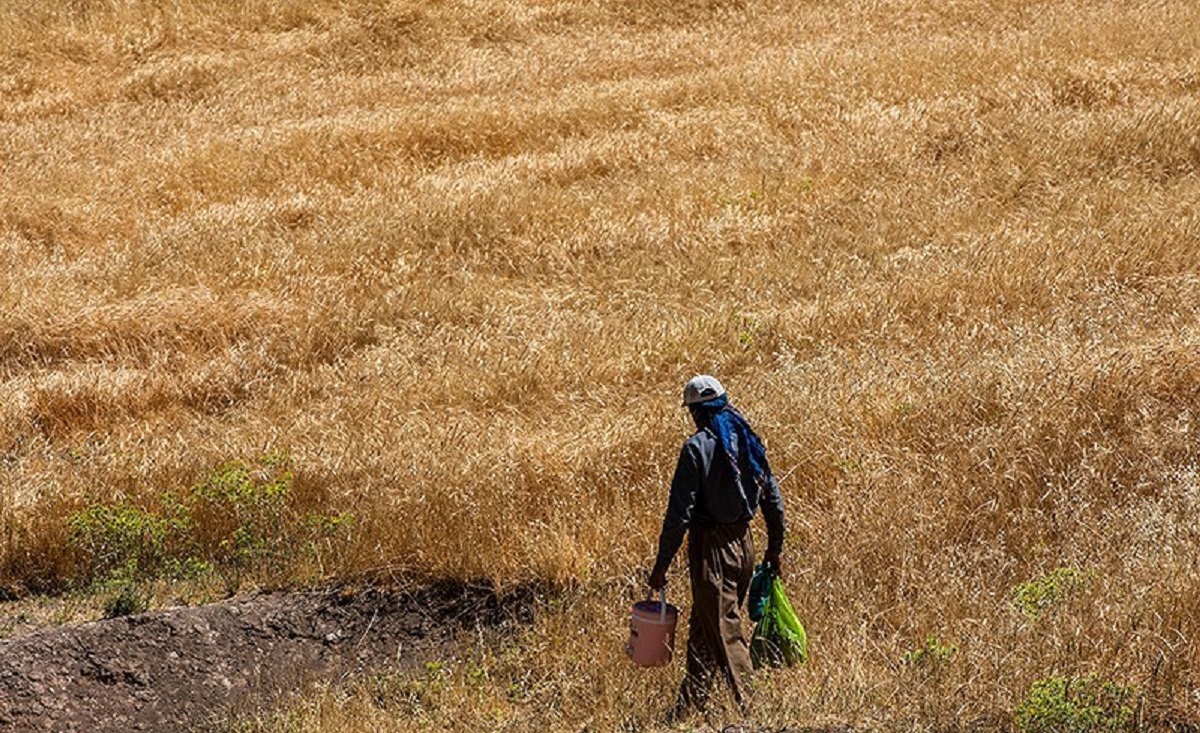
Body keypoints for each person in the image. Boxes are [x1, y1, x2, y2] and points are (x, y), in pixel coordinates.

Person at [648, 375, 786, 715]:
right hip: (744, 545)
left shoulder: (696, 448)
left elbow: (679, 516)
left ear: (696, 413)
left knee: (725, 631)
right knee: (703, 626)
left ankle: (755, 712)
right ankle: (688, 707)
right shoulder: (746, 440)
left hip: (712, 551)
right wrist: (774, 548)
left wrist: (661, 566)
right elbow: (772, 498)